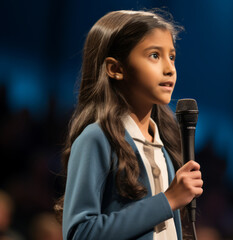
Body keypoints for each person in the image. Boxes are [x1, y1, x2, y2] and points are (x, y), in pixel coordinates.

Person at [54, 10, 203, 240]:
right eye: (154, 55)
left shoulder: (161, 146)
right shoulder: (97, 138)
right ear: (115, 69)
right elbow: (80, 233)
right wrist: (168, 200)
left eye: (171, 56)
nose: (169, 68)